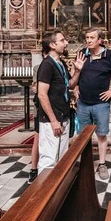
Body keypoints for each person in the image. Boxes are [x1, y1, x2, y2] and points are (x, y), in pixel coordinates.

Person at [72, 28, 111, 180]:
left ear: (100, 40)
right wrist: (75, 86)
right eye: (87, 37)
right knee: (83, 136)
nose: (88, 40)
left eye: (92, 38)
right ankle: (86, 163)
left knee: (101, 134)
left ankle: (102, 164)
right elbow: (74, 75)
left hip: (101, 103)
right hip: (83, 102)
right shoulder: (82, 53)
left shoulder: (108, 55)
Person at [37, 30, 80, 170]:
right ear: (52, 45)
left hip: (63, 116)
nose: (66, 43)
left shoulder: (59, 63)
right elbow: (42, 94)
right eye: (62, 40)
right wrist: (54, 121)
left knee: (61, 158)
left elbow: (70, 85)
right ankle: (43, 191)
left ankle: (58, 190)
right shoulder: (47, 65)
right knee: (49, 161)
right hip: (52, 120)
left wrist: (78, 71)